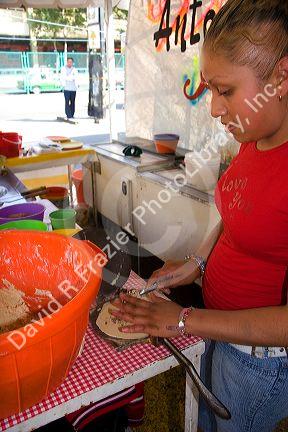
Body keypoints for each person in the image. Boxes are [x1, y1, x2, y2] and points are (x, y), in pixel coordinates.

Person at [110, 1, 288, 431]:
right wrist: (198, 263)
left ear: (282, 76)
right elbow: (238, 213)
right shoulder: (254, 135)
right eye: (210, 89)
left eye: (225, 90)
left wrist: (184, 319)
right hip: (220, 331)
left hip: (258, 362)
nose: (213, 108)